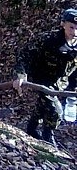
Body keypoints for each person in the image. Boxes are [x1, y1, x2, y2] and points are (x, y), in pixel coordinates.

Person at [13, 8, 77, 147]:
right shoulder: (48, 39)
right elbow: (24, 55)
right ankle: (48, 137)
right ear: (63, 24)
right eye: (71, 27)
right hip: (41, 80)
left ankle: (31, 128)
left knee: (44, 105)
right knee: (55, 111)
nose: (75, 32)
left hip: (61, 83)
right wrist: (20, 76)